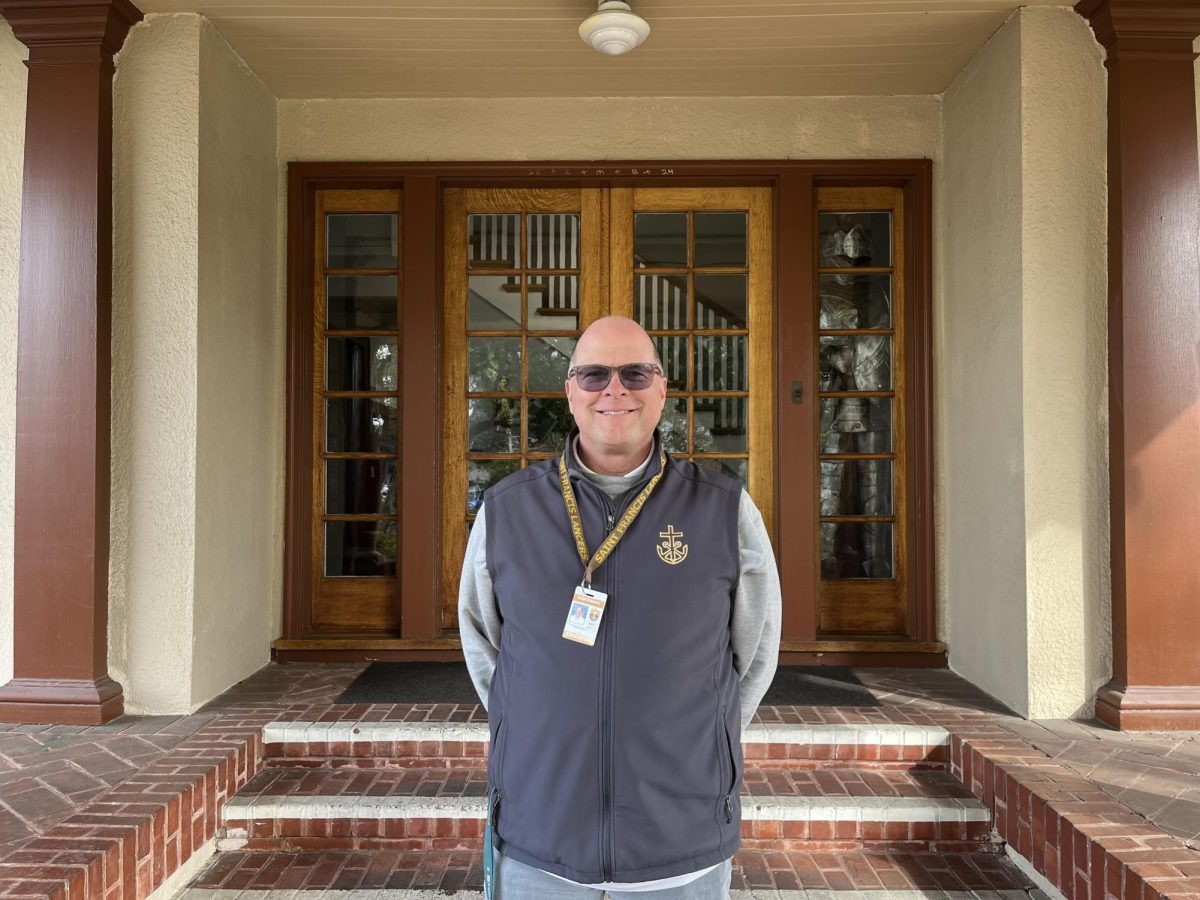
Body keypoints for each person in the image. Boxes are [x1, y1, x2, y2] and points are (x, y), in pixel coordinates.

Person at [458, 316, 782, 899]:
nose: (615, 389)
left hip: (679, 844)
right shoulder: (507, 512)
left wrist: (702, 740)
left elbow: (753, 657)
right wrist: (532, 725)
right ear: (570, 392)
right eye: (594, 374)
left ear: (661, 389)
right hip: (541, 838)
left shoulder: (724, 511)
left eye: (635, 373)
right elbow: (487, 653)